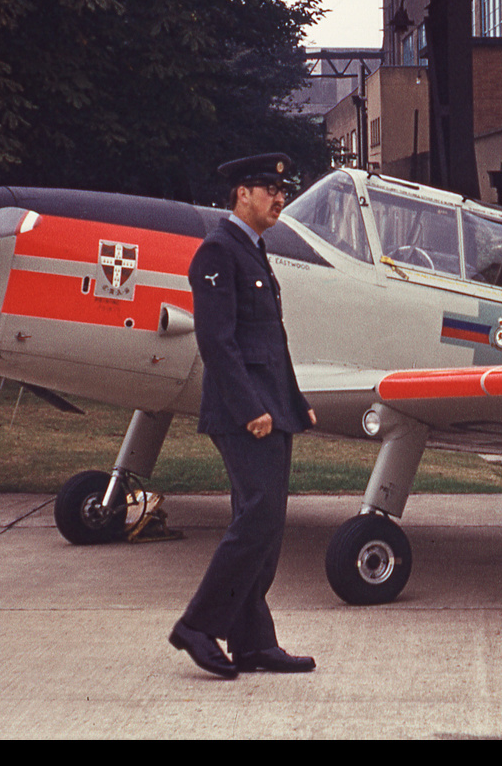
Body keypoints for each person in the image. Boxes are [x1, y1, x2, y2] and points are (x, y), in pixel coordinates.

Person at [169, 153, 317, 679]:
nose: (279, 198)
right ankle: (198, 625)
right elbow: (217, 341)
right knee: (256, 519)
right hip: (243, 412)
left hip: (271, 408)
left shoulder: (253, 251)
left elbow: (270, 341)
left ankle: (253, 643)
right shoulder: (218, 251)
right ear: (241, 194)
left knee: (266, 524)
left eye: (282, 190)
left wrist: (293, 401)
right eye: (268, 189)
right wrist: (251, 407)